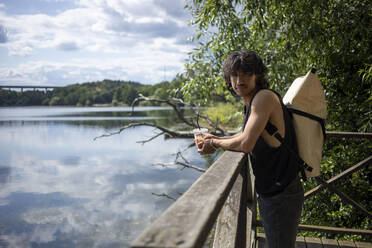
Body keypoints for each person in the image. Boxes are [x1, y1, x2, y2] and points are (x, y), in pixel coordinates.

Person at [197, 50, 304, 248]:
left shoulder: (263, 98)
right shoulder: (251, 102)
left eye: (246, 73)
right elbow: (244, 135)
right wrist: (218, 138)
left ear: (258, 75)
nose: (239, 80)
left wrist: (214, 143)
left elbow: (246, 143)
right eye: (234, 75)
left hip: (281, 193)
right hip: (273, 190)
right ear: (229, 79)